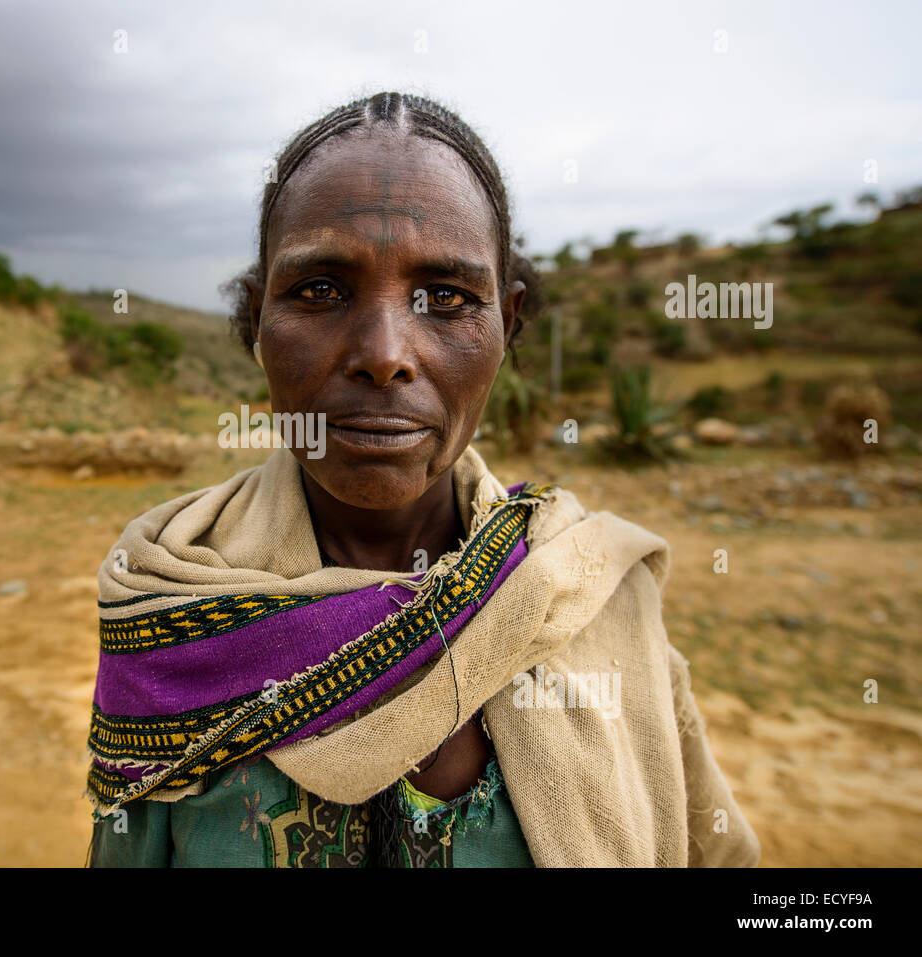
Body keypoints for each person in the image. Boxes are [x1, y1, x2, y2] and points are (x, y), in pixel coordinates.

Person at [84, 91, 760, 868]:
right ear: (256, 319)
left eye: (445, 297)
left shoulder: (593, 594)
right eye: (321, 290)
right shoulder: (168, 600)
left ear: (505, 324)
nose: (384, 352)